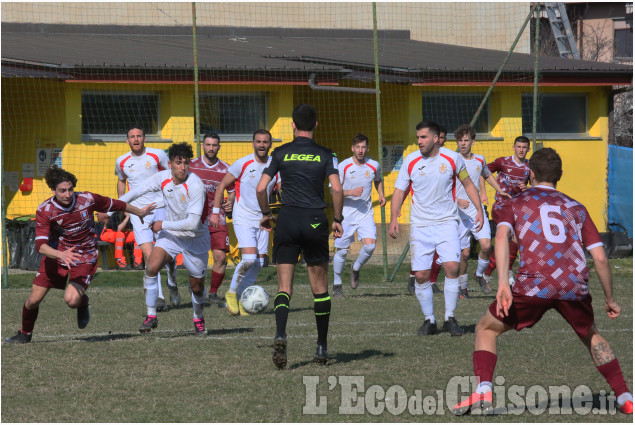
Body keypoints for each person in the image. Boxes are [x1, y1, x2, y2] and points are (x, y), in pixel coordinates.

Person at [452, 148, 633, 415]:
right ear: (561, 175)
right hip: (573, 285)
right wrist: (610, 299)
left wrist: (503, 282)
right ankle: (625, 396)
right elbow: (601, 258)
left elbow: (501, 238)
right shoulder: (577, 207)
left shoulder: (515, 202)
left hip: (534, 283)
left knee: (486, 329)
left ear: (531, 173)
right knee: (590, 334)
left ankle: (483, 390)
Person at [5, 165, 155, 344]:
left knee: (71, 300)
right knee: (32, 300)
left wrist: (139, 212)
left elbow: (117, 204)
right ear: (53, 190)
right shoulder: (45, 210)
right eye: (62, 191)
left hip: (85, 255)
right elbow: (40, 246)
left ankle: (83, 302)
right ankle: (25, 334)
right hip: (57, 255)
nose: (68, 194)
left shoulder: (87, 199)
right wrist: (60, 254)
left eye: (70, 189)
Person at [256, 104, 343, 369]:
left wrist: (266, 213)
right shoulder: (327, 154)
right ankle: (321, 347)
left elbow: (262, 188)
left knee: (285, 287)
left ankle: (281, 334)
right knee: (320, 289)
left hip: (289, 220)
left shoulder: (280, 152)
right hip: (316, 220)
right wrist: (337, 219)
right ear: (316, 125)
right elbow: (337, 189)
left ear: (293, 125)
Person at [389, 120, 484, 337]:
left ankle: (449, 317)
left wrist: (479, 209)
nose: (419, 141)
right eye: (418, 137)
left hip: (447, 223)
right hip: (420, 226)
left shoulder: (452, 158)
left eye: (423, 137)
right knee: (422, 275)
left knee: (452, 266)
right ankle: (429, 320)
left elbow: (468, 183)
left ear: (435, 138)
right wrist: (394, 217)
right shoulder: (411, 161)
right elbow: (398, 191)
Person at [117, 142, 211, 335]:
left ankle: (198, 318)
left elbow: (192, 224)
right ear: (170, 164)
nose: (183, 167)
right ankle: (151, 316)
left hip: (195, 239)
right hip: (172, 236)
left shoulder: (196, 186)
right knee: (151, 267)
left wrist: (162, 225)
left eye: (186, 163)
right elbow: (136, 191)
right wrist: (112, 206)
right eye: (178, 162)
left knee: (197, 288)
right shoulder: (162, 178)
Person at [211, 129, 280, 315]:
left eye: (265, 142)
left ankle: (242, 300)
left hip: (264, 219)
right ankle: (231, 293)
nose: (262, 145)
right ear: (253, 144)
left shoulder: (276, 165)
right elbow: (221, 186)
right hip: (244, 217)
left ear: (270, 144)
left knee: (258, 263)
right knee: (249, 259)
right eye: (258, 141)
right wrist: (216, 212)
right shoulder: (242, 163)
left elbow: (282, 188)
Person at [109, 126, 179, 309]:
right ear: (127, 140)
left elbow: (170, 175)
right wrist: (123, 206)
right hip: (137, 212)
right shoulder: (121, 161)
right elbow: (121, 181)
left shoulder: (157, 155)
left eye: (139, 136)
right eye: (132, 136)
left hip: (161, 207)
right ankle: (159, 298)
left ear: (145, 139)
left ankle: (172, 281)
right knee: (149, 254)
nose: (136, 139)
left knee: (167, 254)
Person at [453, 124, 510, 298]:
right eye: (460, 140)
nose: (463, 144)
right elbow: (444, 186)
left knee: (486, 246)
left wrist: (499, 190)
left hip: (476, 211)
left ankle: (479, 275)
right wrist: (456, 200)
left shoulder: (480, 160)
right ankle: (463, 288)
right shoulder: (453, 160)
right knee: (464, 253)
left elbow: (487, 174)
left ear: (473, 142)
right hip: (458, 213)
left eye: (466, 140)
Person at [332, 133, 385, 298]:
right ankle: (337, 284)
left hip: (365, 214)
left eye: (363, 147)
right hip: (345, 214)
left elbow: (378, 179)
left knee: (370, 246)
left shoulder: (374, 165)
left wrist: (381, 194)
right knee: (341, 251)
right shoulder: (343, 166)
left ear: (367, 148)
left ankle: (355, 268)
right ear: (352, 148)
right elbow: (334, 191)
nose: (360, 150)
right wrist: (350, 192)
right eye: (357, 147)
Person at [478, 136, 531, 290]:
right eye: (519, 147)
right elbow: (483, 172)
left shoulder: (529, 166)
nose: (521, 150)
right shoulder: (503, 162)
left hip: (518, 208)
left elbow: (535, 186)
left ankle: (504, 274)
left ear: (528, 149)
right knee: (508, 237)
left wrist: (527, 188)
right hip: (501, 207)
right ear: (514, 147)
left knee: (513, 242)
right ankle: (490, 274)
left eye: (524, 147)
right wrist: (483, 192)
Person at [189, 132, 235, 303]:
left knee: (220, 257)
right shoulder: (192, 166)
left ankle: (213, 293)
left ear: (219, 147)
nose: (211, 148)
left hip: (218, 217)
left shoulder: (226, 169)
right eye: (208, 145)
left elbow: (231, 193)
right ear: (203, 146)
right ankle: (194, 282)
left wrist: (230, 203)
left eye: (214, 145)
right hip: (195, 218)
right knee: (194, 258)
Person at [408, 125, 447, 295]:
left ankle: (432, 281)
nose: (442, 141)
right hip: (423, 216)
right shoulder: (416, 160)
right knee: (424, 252)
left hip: (446, 214)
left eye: (444, 138)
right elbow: (406, 186)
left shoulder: (450, 159)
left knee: (443, 252)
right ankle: (413, 278)